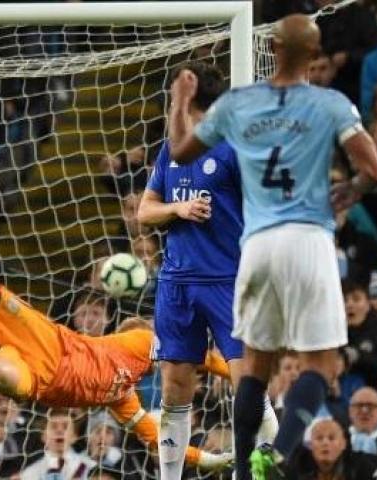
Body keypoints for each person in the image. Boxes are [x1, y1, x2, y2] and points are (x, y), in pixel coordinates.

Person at [167, 13, 377, 479]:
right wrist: (353, 191)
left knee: (257, 364)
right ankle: (282, 450)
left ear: (275, 48)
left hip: (257, 244)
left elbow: (181, 149)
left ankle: (246, 469)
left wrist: (180, 99)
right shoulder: (330, 103)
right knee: (319, 364)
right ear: (316, 52)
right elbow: (375, 169)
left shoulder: (238, 103)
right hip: (309, 239)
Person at [0, 238, 233, 472]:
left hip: (39, 381)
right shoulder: (136, 344)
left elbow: (160, 439)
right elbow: (200, 355)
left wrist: (206, 459)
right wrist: (237, 372)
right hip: (48, 338)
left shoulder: (124, 397)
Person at [137, 60, 277, 480]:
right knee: (175, 388)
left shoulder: (236, 148)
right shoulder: (170, 151)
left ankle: (256, 472)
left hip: (230, 281)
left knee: (248, 388)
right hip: (178, 283)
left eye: (176, 101)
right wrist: (177, 208)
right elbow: (145, 211)